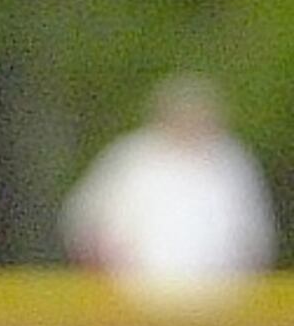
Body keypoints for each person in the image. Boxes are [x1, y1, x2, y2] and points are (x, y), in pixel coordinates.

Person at [62, 71, 276, 306]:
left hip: (219, 311)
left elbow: (254, 240)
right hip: (133, 307)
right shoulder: (131, 157)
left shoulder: (232, 162)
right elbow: (87, 227)